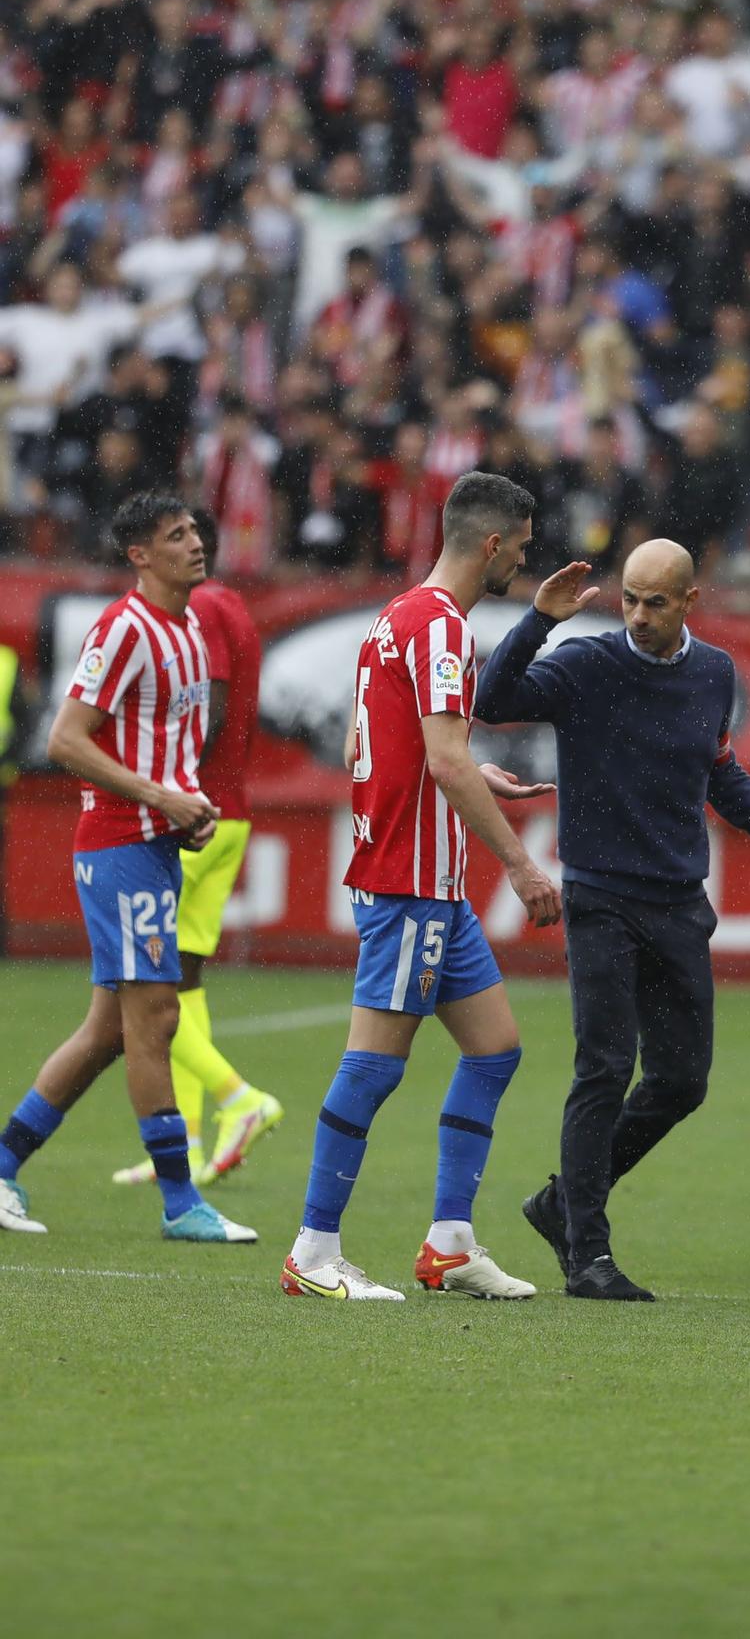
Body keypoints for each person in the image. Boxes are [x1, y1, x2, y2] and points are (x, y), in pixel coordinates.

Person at [475, 538, 750, 1301]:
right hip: (600, 896)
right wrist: (538, 622)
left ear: (688, 603)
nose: (637, 616)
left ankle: (560, 1203)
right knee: (604, 1067)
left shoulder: (713, 672)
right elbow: (493, 701)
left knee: (680, 1081)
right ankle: (588, 1253)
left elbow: (716, 767)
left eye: (655, 602)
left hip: (678, 901)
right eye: (630, 599)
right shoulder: (586, 666)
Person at [281, 471, 562, 1304]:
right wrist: (518, 861)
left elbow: (394, 745)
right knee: (372, 1065)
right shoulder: (443, 631)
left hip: (423, 880)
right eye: (520, 542)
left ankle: (448, 1245)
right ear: (490, 543)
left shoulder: (397, 617)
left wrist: (474, 772)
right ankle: (313, 1251)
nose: (523, 554)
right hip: (410, 880)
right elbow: (438, 758)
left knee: (494, 1047)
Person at [0, 490, 255, 1245]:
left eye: (194, 533)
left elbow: (165, 751)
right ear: (139, 555)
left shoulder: (187, 631)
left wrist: (190, 809)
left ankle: (5, 1164)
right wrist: (157, 799)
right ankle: (182, 1203)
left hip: (152, 847)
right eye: (175, 537)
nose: (194, 545)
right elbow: (66, 740)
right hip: (116, 847)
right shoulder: (126, 628)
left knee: (109, 1030)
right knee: (157, 1017)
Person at [112, 510, 282, 1190]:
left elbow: (207, 711)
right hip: (229, 811)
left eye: (188, 537)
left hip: (197, 816)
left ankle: (238, 1098)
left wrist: (174, 793)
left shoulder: (203, 608)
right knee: (182, 980)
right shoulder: (233, 605)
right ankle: (180, 1136)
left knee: (136, 991)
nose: (190, 549)